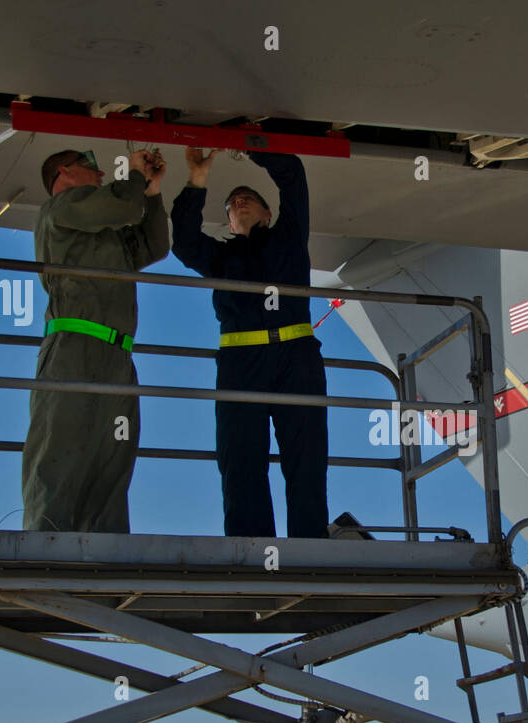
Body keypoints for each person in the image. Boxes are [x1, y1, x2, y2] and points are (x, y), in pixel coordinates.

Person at [170, 147, 328, 538]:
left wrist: (250, 146)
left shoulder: (290, 237)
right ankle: (252, 559)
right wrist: (197, 180)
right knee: (240, 462)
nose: (239, 202)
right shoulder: (220, 258)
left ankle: (310, 554)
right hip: (242, 363)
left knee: (306, 461)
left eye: (248, 199)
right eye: (231, 203)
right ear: (227, 221)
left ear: (267, 214)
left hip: (296, 357)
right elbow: (184, 242)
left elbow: (292, 174)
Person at [22, 147, 169, 532]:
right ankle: (45, 543)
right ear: (64, 173)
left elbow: (155, 246)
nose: (102, 173)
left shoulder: (102, 232)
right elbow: (120, 208)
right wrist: (134, 177)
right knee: (60, 450)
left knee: (112, 457)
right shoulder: (61, 208)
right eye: (92, 168)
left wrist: (150, 192)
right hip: (74, 346)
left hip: (116, 354)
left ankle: (105, 549)